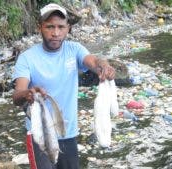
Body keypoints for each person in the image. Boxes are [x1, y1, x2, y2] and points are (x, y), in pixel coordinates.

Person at [12, 3, 115, 169]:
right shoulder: (27, 58)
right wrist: (28, 94)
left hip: (68, 133)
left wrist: (103, 66)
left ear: (68, 28)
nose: (55, 33)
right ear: (40, 27)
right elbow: (17, 95)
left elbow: (94, 62)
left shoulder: (74, 50)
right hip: (40, 136)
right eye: (50, 27)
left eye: (61, 27)